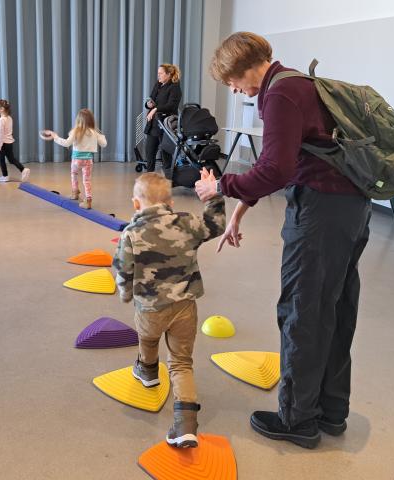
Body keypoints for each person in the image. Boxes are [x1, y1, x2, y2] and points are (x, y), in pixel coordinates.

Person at [195, 32, 372, 449]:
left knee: (303, 310)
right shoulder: (299, 83)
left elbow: (275, 169)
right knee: (336, 306)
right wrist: (241, 208)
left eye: (231, 82)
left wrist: (221, 186)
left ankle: (297, 420)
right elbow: (286, 159)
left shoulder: (279, 96)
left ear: (241, 68)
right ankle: (331, 411)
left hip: (319, 213)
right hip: (349, 209)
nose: (234, 89)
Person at [113, 171, 225, 448]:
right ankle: (186, 425)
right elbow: (215, 225)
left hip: (150, 307)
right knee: (181, 363)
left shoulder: (131, 233)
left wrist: (127, 294)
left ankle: (148, 372)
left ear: (136, 204)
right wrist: (214, 196)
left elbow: (122, 270)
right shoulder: (186, 223)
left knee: (148, 339)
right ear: (171, 203)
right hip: (185, 306)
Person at [43, 109, 107, 210]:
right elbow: (104, 144)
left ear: (78, 120)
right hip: (88, 160)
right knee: (87, 180)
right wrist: (101, 136)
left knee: (74, 174)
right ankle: (88, 200)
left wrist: (55, 137)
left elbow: (66, 143)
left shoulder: (75, 131)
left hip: (76, 160)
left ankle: (75, 192)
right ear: (91, 120)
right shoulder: (94, 132)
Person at [144, 64, 182, 172]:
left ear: (169, 74)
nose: (158, 76)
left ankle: (168, 180)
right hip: (153, 124)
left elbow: (171, 106)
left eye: (161, 73)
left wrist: (156, 109)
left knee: (166, 154)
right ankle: (149, 178)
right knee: (149, 152)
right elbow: (150, 100)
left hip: (166, 124)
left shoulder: (175, 87)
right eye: (158, 73)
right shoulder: (158, 84)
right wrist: (148, 104)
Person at [0, 99, 30, 183]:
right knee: (11, 159)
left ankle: (5, 176)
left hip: (2, 143)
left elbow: (0, 134)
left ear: (2, 109)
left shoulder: (1, 120)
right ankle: (23, 169)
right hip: (9, 143)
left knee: (1, 160)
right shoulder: (9, 118)